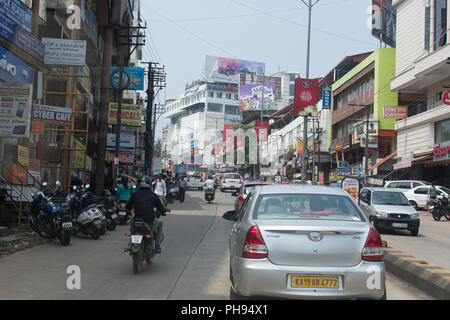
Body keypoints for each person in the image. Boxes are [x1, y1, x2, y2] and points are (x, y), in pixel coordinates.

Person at [127, 176, 170, 254]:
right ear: (149, 184)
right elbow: (161, 208)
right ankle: (157, 246)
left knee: (132, 228)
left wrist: (130, 211)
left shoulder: (135, 194)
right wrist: (164, 211)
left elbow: (128, 206)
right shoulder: (153, 195)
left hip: (137, 220)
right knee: (160, 224)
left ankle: (131, 242)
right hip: (149, 221)